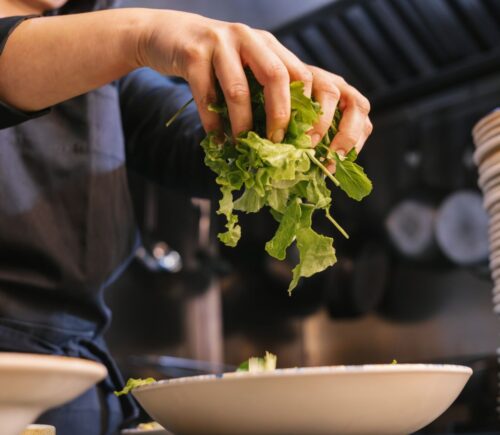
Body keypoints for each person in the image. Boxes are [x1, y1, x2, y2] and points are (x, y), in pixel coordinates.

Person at [0, 0, 373, 433]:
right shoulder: (116, 32)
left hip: (76, 382)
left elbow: (189, 140)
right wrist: (140, 33)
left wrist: (276, 120)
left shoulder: (89, 34)